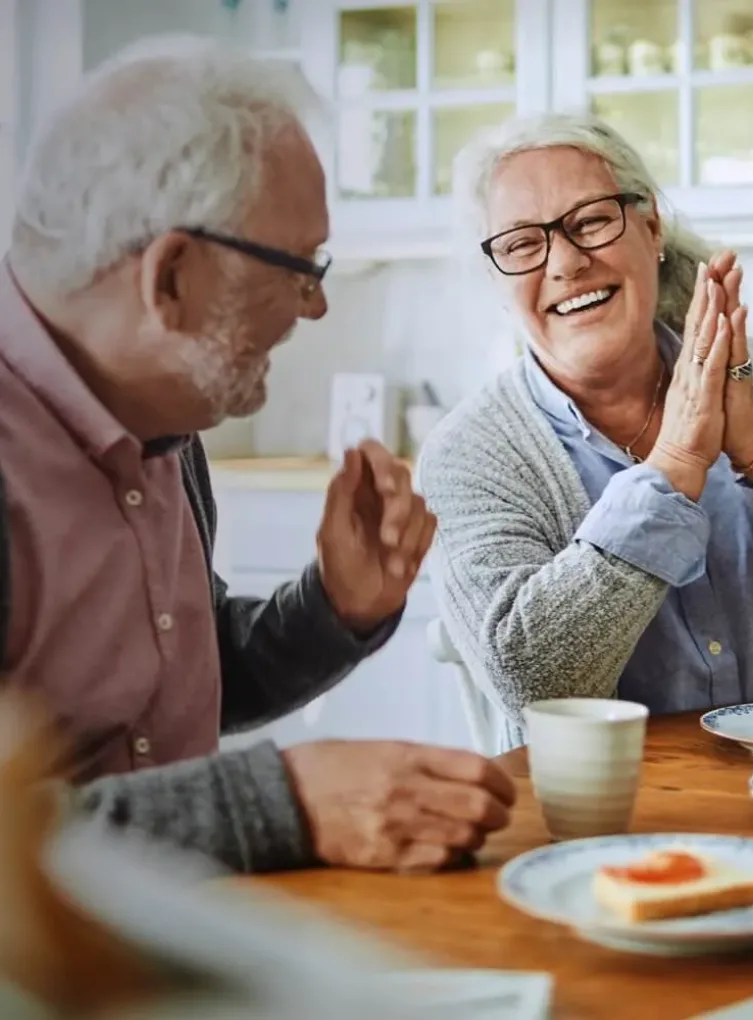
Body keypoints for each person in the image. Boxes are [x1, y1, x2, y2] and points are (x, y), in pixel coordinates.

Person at [0, 36, 515, 873]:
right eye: (300, 269)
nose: (314, 308)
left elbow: (177, 693)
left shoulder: (163, 415)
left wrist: (333, 610)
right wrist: (286, 804)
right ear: (170, 277)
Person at [418, 111, 753, 750]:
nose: (565, 263)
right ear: (497, 278)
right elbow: (532, 681)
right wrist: (672, 467)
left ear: (650, 227)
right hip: (615, 830)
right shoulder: (472, 454)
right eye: (521, 244)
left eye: (590, 221)